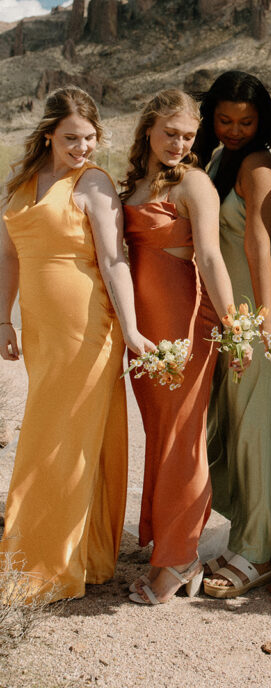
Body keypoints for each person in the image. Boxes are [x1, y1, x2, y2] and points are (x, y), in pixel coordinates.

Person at [0, 86, 154, 602]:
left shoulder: (94, 184)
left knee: (61, 438)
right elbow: (9, 258)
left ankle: (49, 560)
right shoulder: (21, 185)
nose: (83, 147)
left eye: (90, 138)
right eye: (72, 138)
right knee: (52, 434)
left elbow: (115, 261)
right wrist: (4, 320)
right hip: (43, 332)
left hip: (89, 329)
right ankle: (70, 550)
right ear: (48, 134)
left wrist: (131, 330)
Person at [120, 89, 235, 605]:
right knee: (160, 434)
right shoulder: (136, 183)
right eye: (171, 133)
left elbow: (209, 257)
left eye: (189, 135)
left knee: (183, 439)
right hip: (141, 328)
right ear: (149, 129)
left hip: (185, 323)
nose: (180, 143)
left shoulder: (195, 183)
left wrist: (232, 322)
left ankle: (180, 555)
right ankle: (168, 546)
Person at [193, 71, 271, 597]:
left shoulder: (258, 165)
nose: (234, 130)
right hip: (227, 309)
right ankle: (247, 533)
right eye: (225, 120)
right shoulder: (213, 161)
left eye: (246, 122)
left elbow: (257, 238)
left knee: (258, 430)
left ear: (263, 123)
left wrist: (265, 321)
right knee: (232, 426)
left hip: (255, 308)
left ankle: (260, 550)